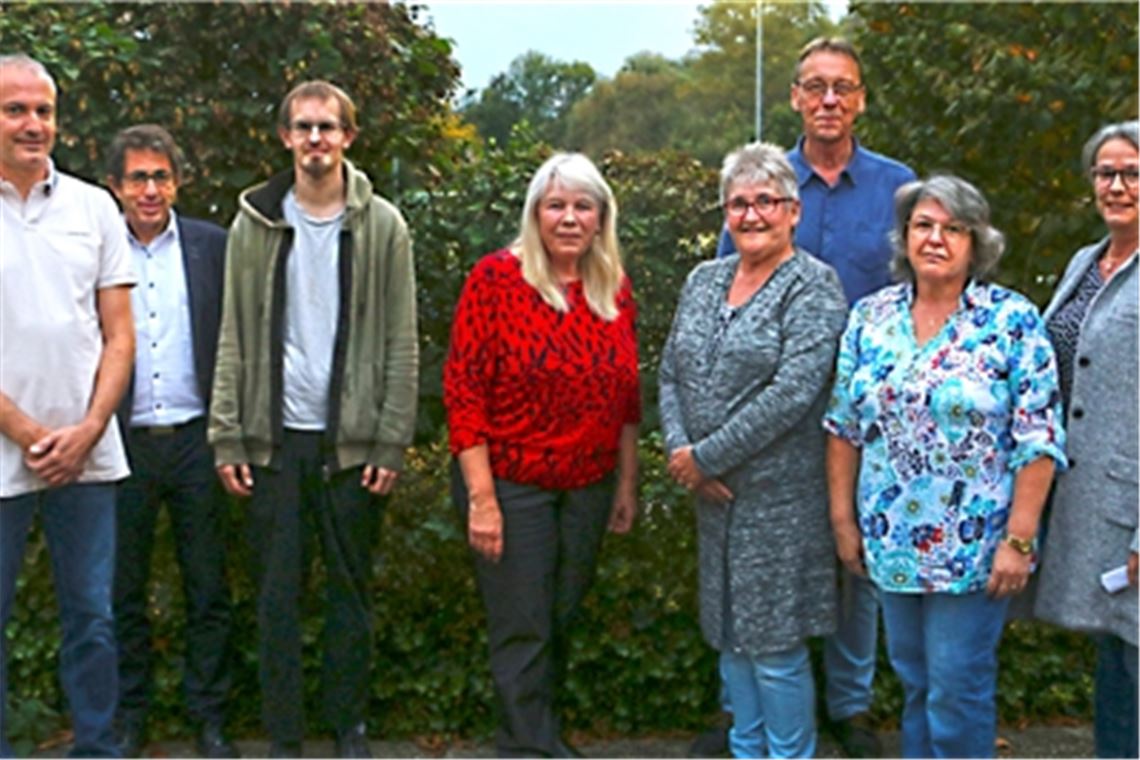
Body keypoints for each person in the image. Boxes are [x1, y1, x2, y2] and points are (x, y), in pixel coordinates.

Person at [710, 38, 916, 758]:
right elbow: (722, 290)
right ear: (795, 96)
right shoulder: (762, 181)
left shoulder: (897, 189)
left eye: (844, 88)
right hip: (766, 418)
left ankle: (849, 706)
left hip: (863, 413)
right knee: (751, 559)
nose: (830, 100)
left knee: (852, 557)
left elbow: (920, 290)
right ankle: (748, 710)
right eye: (816, 87)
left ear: (861, 99)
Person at [208, 80, 419, 758]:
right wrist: (227, 434)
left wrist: (390, 439)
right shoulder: (257, 222)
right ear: (285, 138)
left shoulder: (382, 225)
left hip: (351, 444)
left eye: (328, 127)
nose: (316, 140)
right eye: (303, 128)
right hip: (274, 440)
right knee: (277, 597)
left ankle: (349, 726)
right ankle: (285, 734)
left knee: (349, 596)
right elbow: (233, 334)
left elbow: (401, 339)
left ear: (349, 137)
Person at [823, 175, 1066, 758]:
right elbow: (843, 427)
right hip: (891, 540)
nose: (935, 239)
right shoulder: (870, 317)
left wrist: (1020, 539)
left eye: (952, 228)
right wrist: (843, 523)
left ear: (976, 242)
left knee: (956, 690)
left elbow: (1038, 438)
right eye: (923, 225)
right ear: (904, 237)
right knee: (915, 684)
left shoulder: (1011, 321)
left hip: (976, 546)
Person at [443, 152, 640, 758]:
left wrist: (627, 485)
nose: (570, 218)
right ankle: (528, 748)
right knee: (522, 624)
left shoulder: (613, 288)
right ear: (535, 213)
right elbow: (464, 392)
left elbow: (627, 398)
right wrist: (482, 499)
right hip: (510, 483)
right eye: (556, 205)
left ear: (601, 216)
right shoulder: (496, 279)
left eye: (583, 206)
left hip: (587, 483)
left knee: (559, 618)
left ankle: (540, 733)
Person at [660, 142, 847, 758]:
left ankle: (790, 754)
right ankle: (746, 750)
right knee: (731, 641)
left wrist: (707, 457)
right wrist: (683, 451)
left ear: (793, 211)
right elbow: (668, 374)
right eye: (738, 203)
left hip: (779, 500)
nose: (751, 215)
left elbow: (795, 392)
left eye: (766, 201)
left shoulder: (814, 287)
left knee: (774, 648)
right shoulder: (704, 279)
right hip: (715, 503)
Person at [0, 54, 136, 757]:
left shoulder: (93, 207)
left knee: (92, 618)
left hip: (88, 457)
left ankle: (97, 750)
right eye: (15, 109)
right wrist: (24, 430)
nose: (33, 124)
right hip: (2, 456)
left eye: (44, 110)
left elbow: (119, 335)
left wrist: (86, 430)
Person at [105, 124, 237, 758]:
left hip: (197, 439)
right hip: (122, 442)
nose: (150, 189)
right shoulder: (96, 248)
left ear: (178, 182)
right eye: (137, 177)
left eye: (160, 176)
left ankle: (209, 718)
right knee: (122, 590)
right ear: (116, 186)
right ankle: (132, 717)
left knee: (208, 587)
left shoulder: (214, 246)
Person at [1035, 121, 1139, 759]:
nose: (1118, 185)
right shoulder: (1086, 262)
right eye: (1106, 173)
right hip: (1094, 498)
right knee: (1116, 660)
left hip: (1134, 506)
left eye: (1133, 172)